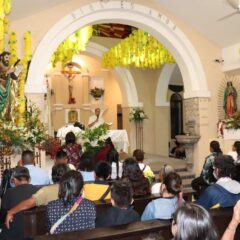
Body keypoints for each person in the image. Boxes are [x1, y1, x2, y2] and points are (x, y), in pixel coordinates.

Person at [5, 164, 69, 229]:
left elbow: (30, 203)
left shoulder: (46, 191)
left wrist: (11, 211)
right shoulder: (77, 189)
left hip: (52, 230)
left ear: (52, 176)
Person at [0, 167, 38, 240]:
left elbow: (2, 215)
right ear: (29, 179)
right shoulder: (39, 191)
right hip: (35, 234)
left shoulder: (9, 193)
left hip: (14, 236)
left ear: (14, 180)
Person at [0, 51, 22, 117]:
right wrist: (7, 72)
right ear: (1, 57)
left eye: (9, 58)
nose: (8, 59)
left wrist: (18, 71)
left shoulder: (9, 67)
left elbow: (13, 77)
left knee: (8, 105)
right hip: (0, 90)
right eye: (6, 57)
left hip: (7, 90)